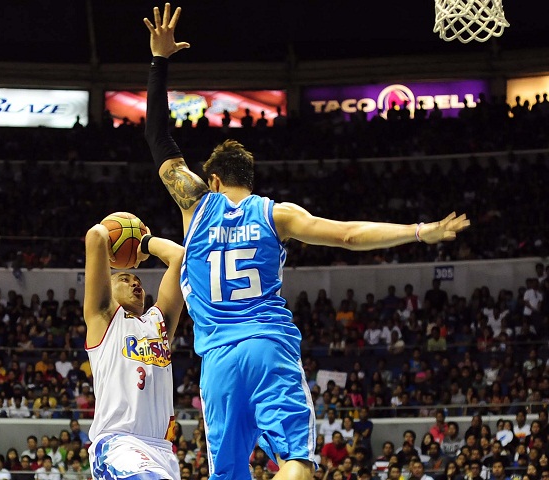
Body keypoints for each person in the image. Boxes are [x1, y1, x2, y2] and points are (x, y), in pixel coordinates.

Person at [143, 4, 470, 480]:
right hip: (268, 346)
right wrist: (421, 231)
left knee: (227, 473)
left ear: (211, 180)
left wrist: (159, 61)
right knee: (296, 460)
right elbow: (349, 235)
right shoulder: (277, 214)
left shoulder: (194, 203)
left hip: (217, 362)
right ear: (248, 180)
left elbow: (157, 136)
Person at [83, 221, 184, 480]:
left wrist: (147, 243)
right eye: (125, 279)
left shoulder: (158, 324)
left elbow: (179, 257)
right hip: (119, 444)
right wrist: (121, 238)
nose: (135, 284)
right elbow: (96, 235)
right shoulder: (103, 317)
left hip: (163, 451)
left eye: (137, 280)